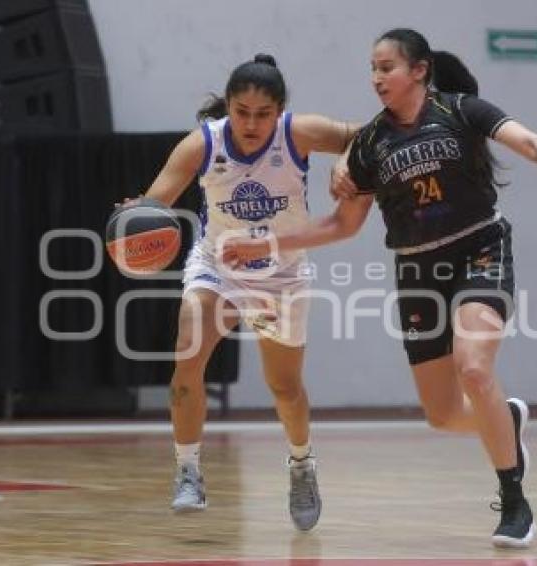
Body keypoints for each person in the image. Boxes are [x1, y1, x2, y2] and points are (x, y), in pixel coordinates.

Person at [222, 30, 537, 548]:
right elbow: (340, 226)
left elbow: (519, 136)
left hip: (479, 248)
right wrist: (267, 244)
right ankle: (505, 421)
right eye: (372, 69)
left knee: (473, 366)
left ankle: (514, 502)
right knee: (442, 415)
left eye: (387, 67)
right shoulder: (370, 144)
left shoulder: (461, 109)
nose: (377, 78)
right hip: (418, 270)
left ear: (418, 70)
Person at [134, 53, 359, 531]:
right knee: (187, 357)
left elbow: (367, 136)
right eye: (241, 112)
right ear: (228, 107)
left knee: (285, 387)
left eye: (262, 114)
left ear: (279, 111)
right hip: (219, 265)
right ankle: (188, 470)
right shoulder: (202, 145)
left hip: (281, 274)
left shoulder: (300, 132)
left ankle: (301, 463)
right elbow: (157, 202)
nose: (251, 123)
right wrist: (138, 215)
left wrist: (344, 159)